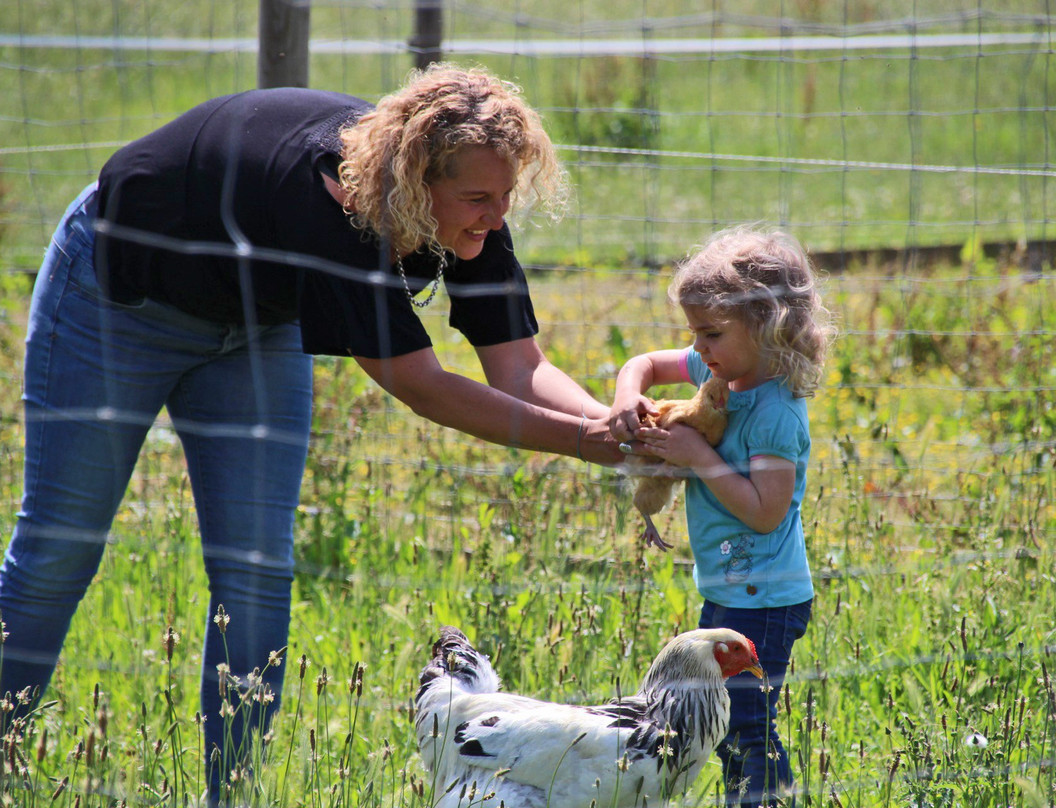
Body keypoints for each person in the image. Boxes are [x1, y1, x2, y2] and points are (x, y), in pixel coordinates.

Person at [0, 63, 623, 805]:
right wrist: (587, 443)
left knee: (257, 571)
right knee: (60, 548)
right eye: (479, 199)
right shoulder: (338, 211)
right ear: (416, 181)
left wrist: (620, 428)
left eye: (505, 197)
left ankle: (231, 794)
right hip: (120, 297)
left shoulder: (469, 214)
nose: (496, 216)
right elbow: (420, 384)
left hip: (255, 321)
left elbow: (518, 366)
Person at [609, 226, 832, 807]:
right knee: (731, 723)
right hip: (732, 588)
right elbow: (643, 363)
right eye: (695, 334)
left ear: (768, 326)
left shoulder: (776, 412)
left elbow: (765, 513)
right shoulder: (723, 375)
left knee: (745, 725)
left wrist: (698, 457)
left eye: (711, 333)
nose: (699, 348)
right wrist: (627, 396)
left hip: (767, 597)